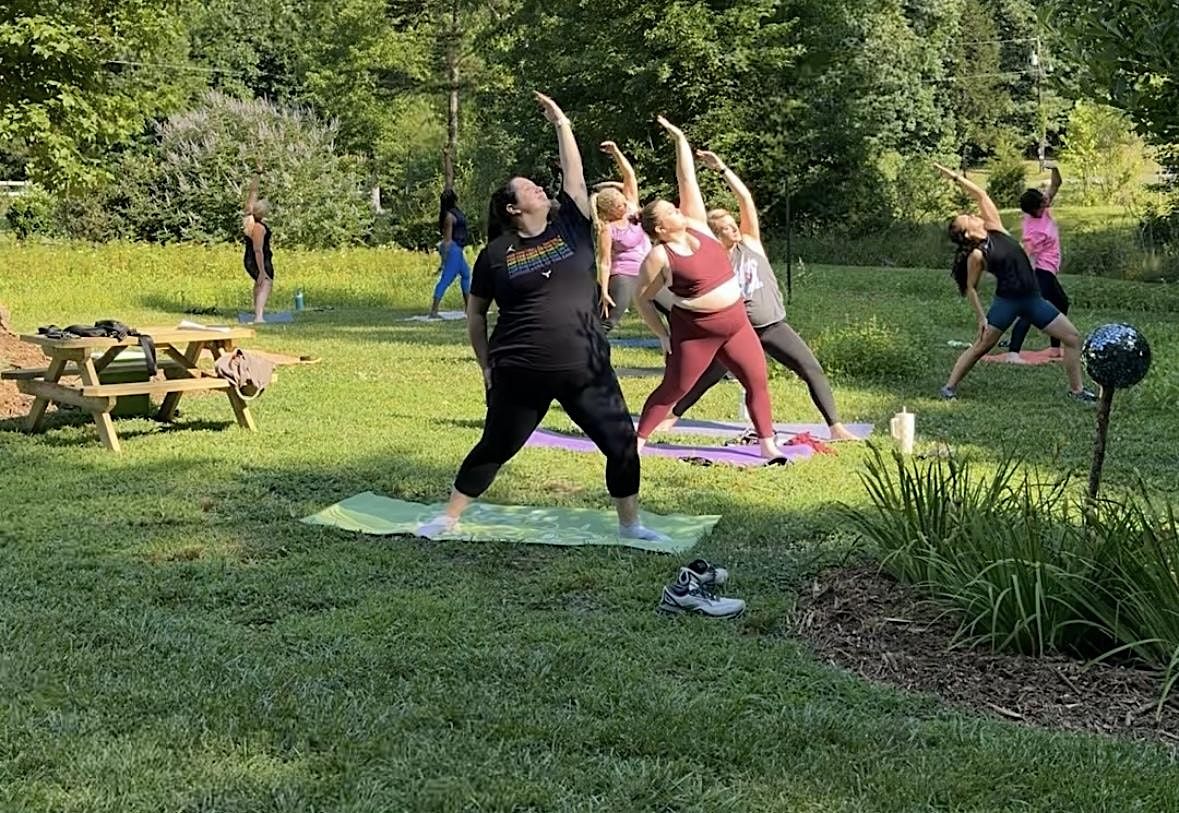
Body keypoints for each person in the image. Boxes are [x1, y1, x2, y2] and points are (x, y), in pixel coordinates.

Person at [415, 93, 667, 543]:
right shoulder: (496, 254)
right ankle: (447, 518)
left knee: (622, 443)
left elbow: (575, 176)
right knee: (496, 445)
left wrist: (562, 123)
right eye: (529, 188)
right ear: (514, 209)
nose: (538, 189)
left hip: (586, 369)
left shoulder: (570, 227)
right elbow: (476, 315)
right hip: (520, 369)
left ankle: (631, 525)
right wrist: (485, 365)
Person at [654, 150, 860, 442]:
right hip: (735, 331)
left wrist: (722, 169)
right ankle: (670, 417)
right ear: (715, 235)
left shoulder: (750, 243)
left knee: (810, 367)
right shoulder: (712, 258)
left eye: (732, 223)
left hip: (773, 326)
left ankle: (836, 427)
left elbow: (746, 201)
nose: (733, 228)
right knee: (702, 378)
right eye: (725, 228)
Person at [631, 118, 787, 462]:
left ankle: (767, 443)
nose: (678, 208)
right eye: (671, 211)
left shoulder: (699, 226)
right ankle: (638, 441)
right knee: (675, 387)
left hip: (735, 323)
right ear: (660, 226)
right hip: (695, 332)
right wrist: (660, 333)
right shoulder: (659, 256)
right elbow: (640, 298)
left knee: (757, 380)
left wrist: (680, 139)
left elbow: (686, 179)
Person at [934, 163, 1094, 402]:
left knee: (1072, 338)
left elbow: (981, 195)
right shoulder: (977, 255)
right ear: (967, 233)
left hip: (1033, 298)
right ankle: (949, 387)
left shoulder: (995, 227)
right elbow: (971, 288)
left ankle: (1077, 391)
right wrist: (981, 317)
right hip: (1007, 303)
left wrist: (955, 177)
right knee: (982, 346)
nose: (974, 215)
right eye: (968, 218)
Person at [1007, 163, 1069, 360]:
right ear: (1034, 210)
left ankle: (1054, 349)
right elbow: (1026, 255)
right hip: (1040, 272)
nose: (1047, 204)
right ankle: (1013, 353)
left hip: (1048, 271)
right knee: (1031, 310)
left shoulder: (1042, 207)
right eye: (1043, 204)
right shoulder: (1033, 230)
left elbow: (1056, 184)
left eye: (1045, 202)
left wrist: (1054, 168)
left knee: (1061, 302)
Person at [591, 141, 650, 332]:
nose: (625, 206)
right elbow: (605, 262)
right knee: (609, 321)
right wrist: (605, 290)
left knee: (674, 311)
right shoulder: (607, 228)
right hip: (624, 274)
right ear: (609, 211)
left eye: (624, 202)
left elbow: (630, 175)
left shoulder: (632, 208)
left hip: (650, 270)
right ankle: (587, 355)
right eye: (620, 206)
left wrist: (616, 152)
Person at [429, 188, 471, 319]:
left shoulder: (456, 213)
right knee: (446, 279)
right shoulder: (449, 216)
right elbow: (447, 240)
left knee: (466, 274)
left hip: (458, 248)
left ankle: (468, 308)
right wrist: (444, 260)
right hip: (452, 248)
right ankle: (434, 311)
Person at [242, 163, 274, 324]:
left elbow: (252, 192)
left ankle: (257, 314)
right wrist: (262, 270)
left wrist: (258, 174)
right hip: (258, 259)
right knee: (266, 283)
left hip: (249, 259)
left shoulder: (249, 216)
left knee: (259, 284)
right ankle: (259, 316)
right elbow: (258, 250)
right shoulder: (259, 228)